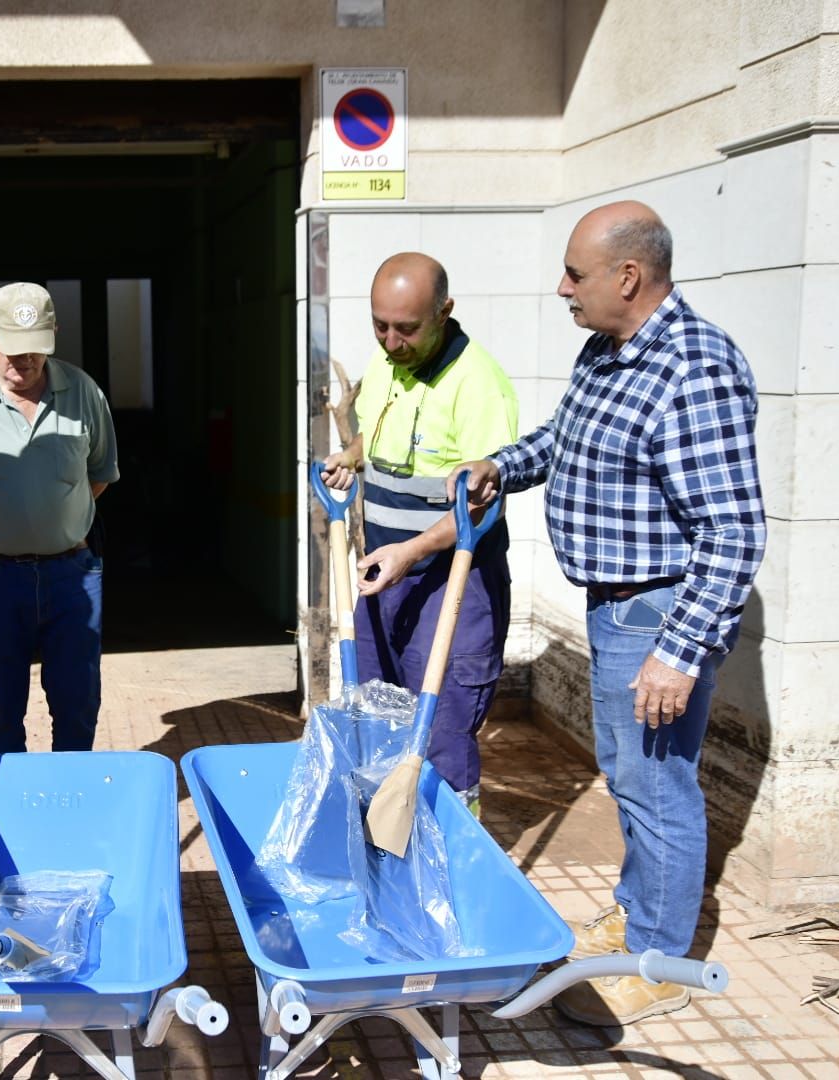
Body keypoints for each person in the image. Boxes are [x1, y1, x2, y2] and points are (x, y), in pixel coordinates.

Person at [451, 201, 766, 1025]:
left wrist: (680, 649)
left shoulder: (695, 369)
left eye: (576, 274)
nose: (563, 288)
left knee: (657, 785)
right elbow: (564, 441)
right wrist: (500, 466)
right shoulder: (607, 352)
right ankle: (636, 914)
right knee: (631, 775)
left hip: (658, 615)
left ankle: (660, 963)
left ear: (629, 276)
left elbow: (732, 531)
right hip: (615, 610)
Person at [321, 253, 519, 816]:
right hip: (392, 574)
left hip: (453, 578)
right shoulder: (386, 364)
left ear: (444, 311)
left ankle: (449, 862)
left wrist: (410, 552)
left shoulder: (479, 384)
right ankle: (386, 845)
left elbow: (482, 505)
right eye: (379, 325)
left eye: (406, 328)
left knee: (441, 724)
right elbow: (378, 438)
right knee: (378, 711)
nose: (391, 340)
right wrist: (351, 458)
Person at [0, 282, 118, 754]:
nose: (24, 361)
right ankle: (12, 813)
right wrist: (0, 524)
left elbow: (99, 474)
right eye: (13, 349)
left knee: (78, 704)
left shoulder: (83, 392)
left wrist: (51, 517)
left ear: (54, 333)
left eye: (36, 348)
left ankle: (73, 806)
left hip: (71, 575)